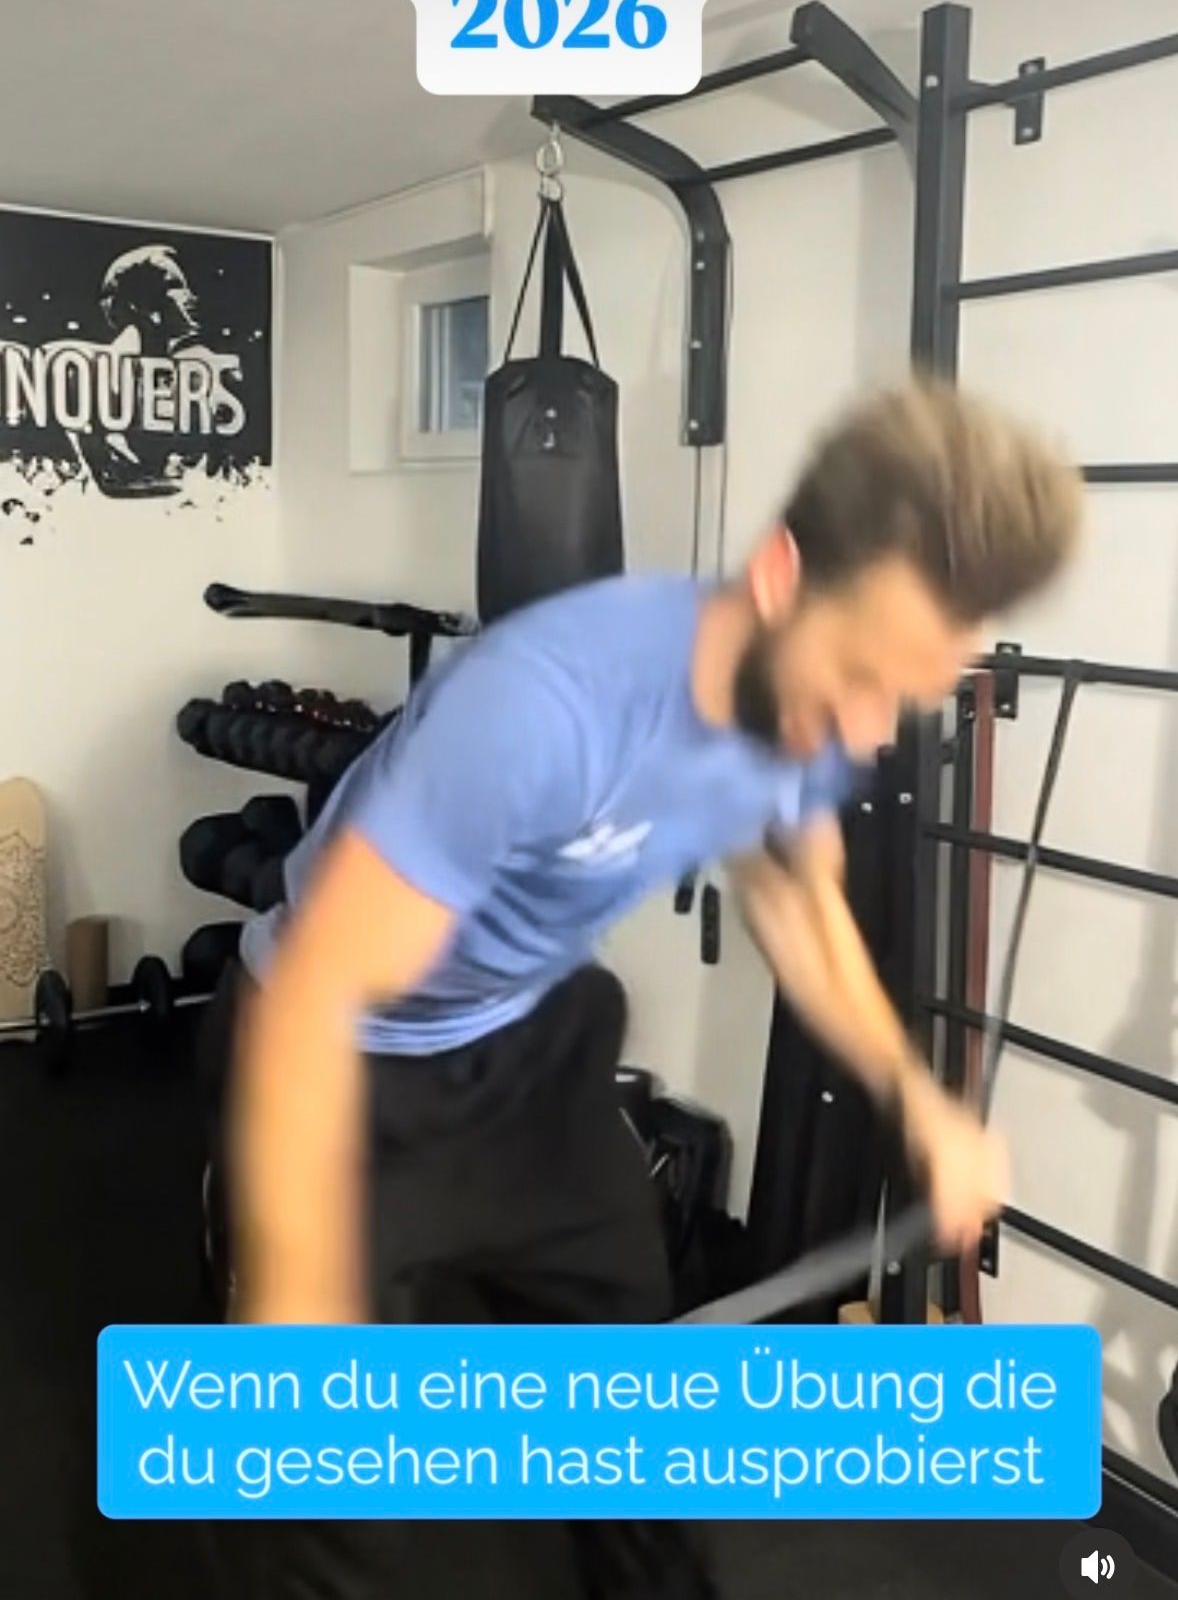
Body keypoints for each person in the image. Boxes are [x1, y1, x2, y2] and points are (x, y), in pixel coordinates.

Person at [205, 380, 1083, 1599]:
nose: (870, 726)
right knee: (320, 1484)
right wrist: (295, 1292)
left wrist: (919, 1101)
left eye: (907, 691)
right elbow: (313, 999)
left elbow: (798, 895)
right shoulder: (545, 705)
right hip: (344, 1048)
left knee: (631, 1402)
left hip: (523, 1041)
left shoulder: (814, 704)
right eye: (867, 672)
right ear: (781, 577)